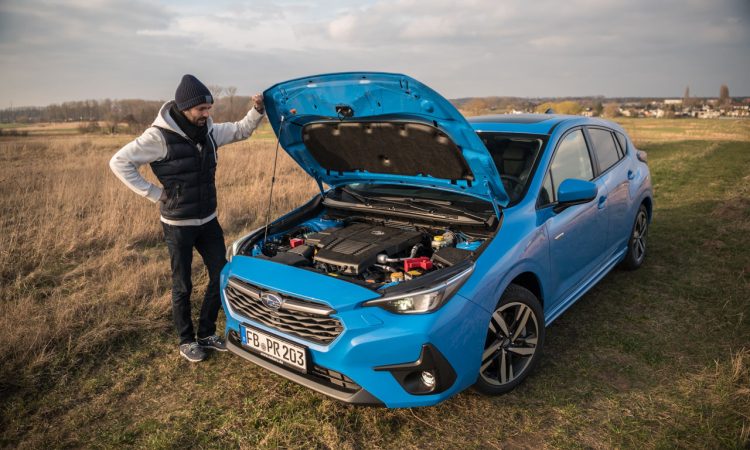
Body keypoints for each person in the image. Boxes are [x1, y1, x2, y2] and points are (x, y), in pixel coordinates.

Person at [110, 74, 265, 362]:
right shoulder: (158, 136)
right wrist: (154, 193)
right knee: (183, 284)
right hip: (178, 225)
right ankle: (186, 340)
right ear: (185, 108)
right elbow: (119, 161)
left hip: (208, 220)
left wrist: (257, 111)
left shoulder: (208, 131)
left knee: (221, 274)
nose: (207, 114)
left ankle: (207, 333)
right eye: (201, 110)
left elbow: (241, 130)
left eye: (209, 108)